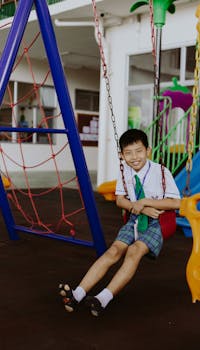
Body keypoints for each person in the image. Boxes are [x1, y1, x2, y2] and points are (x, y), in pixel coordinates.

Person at [59, 129, 181, 317]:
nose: (134, 157)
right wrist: (136, 207)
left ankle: (103, 298)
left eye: (139, 151)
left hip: (158, 222)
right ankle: (77, 294)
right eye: (128, 153)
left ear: (148, 150)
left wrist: (145, 202)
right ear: (122, 155)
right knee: (113, 251)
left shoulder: (161, 172)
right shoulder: (125, 172)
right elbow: (120, 200)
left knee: (134, 251)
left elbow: (175, 202)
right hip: (134, 219)